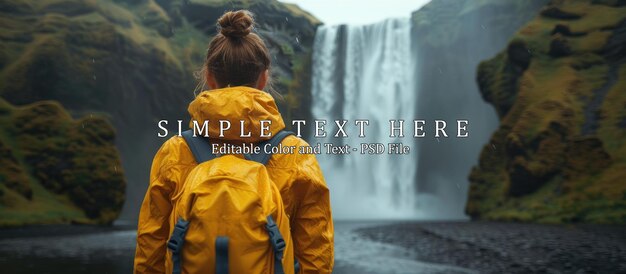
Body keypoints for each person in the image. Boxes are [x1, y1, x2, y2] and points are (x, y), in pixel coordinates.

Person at [133, 10, 334, 274]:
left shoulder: (175, 150)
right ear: (263, 78)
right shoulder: (294, 153)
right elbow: (316, 252)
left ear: (208, 77)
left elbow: (151, 245)